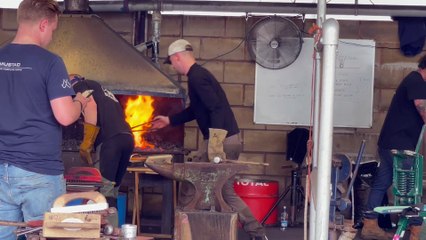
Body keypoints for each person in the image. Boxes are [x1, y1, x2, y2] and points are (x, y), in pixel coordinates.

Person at [152, 39, 267, 240]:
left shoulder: (197, 77)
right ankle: (256, 233)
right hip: (225, 138)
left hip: (221, 141)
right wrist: (170, 120)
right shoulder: (198, 76)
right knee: (223, 191)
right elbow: (197, 110)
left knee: (190, 183)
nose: (174, 67)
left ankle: (183, 232)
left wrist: (215, 142)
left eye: (172, 62)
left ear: (177, 57)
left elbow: (215, 107)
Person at [0, 1, 90, 239]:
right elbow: (65, 116)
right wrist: (79, 101)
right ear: (43, 24)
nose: (51, 37)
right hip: (38, 172)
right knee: (44, 236)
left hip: (1, 170)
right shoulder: (50, 62)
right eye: (52, 30)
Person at [361, 55, 426, 240]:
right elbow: (422, 107)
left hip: (389, 144)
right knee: (410, 187)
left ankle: (370, 224)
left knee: (382, 183)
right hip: (400, 147)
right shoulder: (416, 80)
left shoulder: (413, 81)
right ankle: (415, 232)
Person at [69, 74, 134, 208]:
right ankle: (113, 227)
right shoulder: (103, 90)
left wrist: (88, 141)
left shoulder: (79, 86)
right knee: (114, 189)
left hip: (110, 142)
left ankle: (104, 227)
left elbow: (90, 105)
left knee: (104, 192)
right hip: (127, 139)